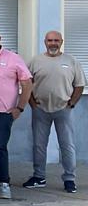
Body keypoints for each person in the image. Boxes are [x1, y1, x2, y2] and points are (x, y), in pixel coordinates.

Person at [24, 30, 85, 193]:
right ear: (45, 42)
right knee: (39, 145)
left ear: (61, 42)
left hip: (63, 110)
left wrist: (71, 103)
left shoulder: (71, 61)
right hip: (40, 109)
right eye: (50, 40)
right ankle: (39, 176)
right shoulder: (35, 61)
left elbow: (79, 85)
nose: (53, 43)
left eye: (56, 40)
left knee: (67, 145)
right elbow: (27, 83)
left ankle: (70, 179)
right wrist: (32, 103)